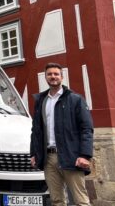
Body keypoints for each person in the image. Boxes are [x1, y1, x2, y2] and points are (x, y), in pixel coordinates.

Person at [30, 63, 94, 206]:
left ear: (62, 77)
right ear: (45, 77)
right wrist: (34, 153)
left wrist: (85, 155)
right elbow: (36, 130)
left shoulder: (75, 99)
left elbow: (87, 129)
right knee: (57, 200)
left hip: (71, 155)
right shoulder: (41, 101)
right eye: (49, 74)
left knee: (80, 200)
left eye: (56, 74)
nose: (53, 77)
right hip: (49, 158)